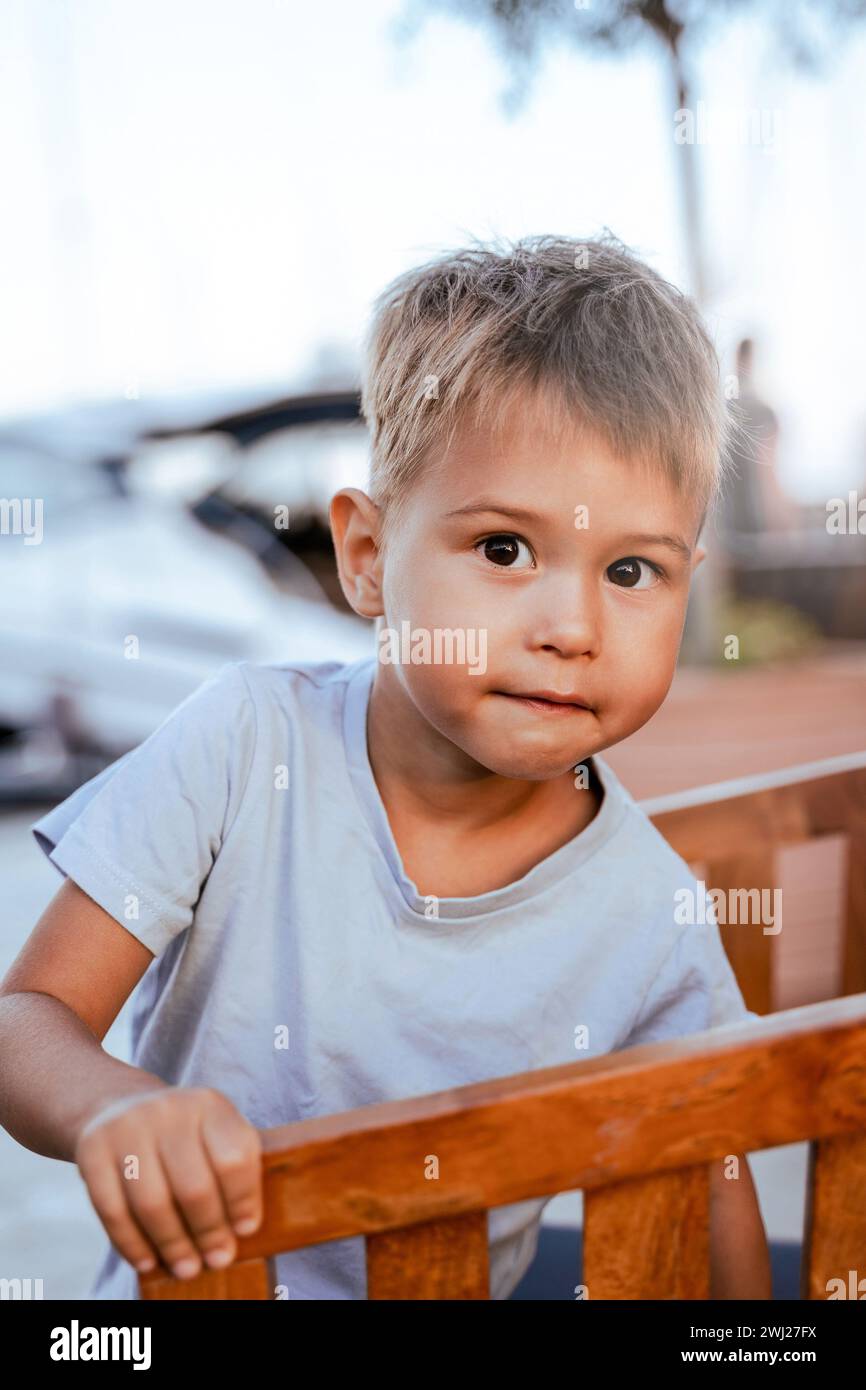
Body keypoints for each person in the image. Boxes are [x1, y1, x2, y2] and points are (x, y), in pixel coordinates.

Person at [0, 233, 771, 1300]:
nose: (572, 625)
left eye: (631, 569)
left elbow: (713, 1157)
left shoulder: (648, 911)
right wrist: (111, 1106)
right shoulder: (240, 746)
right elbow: (28, 1015)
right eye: (503, 548)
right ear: (366, 559)